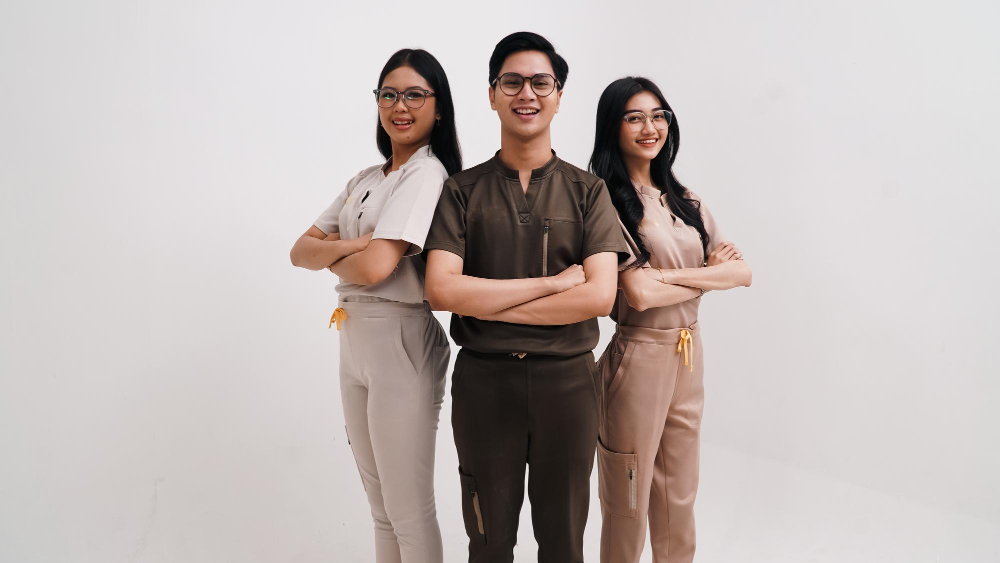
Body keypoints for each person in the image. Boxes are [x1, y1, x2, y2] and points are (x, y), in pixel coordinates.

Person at [422, 32, 630, 563]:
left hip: (568, 384)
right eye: (511, 82)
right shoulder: (461, 191)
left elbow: (599, 297)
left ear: (559, 96)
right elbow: (441, 290)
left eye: (541, 82)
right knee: (488, 540)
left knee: (563, 542)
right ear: (492, 95)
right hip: (485, 383)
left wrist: (485, 300)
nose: (526, 94)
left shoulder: (589, 192)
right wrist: (550, 285)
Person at [288, 48, 461, 563]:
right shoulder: (366, 178)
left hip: (399, 340)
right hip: (354, 338)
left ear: (438, 107)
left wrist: (337, 253)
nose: (399, 106)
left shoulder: (425, 174)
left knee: (408, 510)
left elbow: (376, 268)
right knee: (381, 510)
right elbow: (298, 251)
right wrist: (354, 247)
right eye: (389, 94)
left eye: (414, 95)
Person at [588, 76, 752, 563]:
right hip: (638, 356)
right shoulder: (605, 201)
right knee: (629, 498)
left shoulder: (685, 200)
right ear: (613, 127)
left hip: (688, 352)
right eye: (634, 118)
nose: (650, 127)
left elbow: (742, 272)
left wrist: (675, 278)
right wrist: (708, 275)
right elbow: (637, 294)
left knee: (678, 496)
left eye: (658, 116)